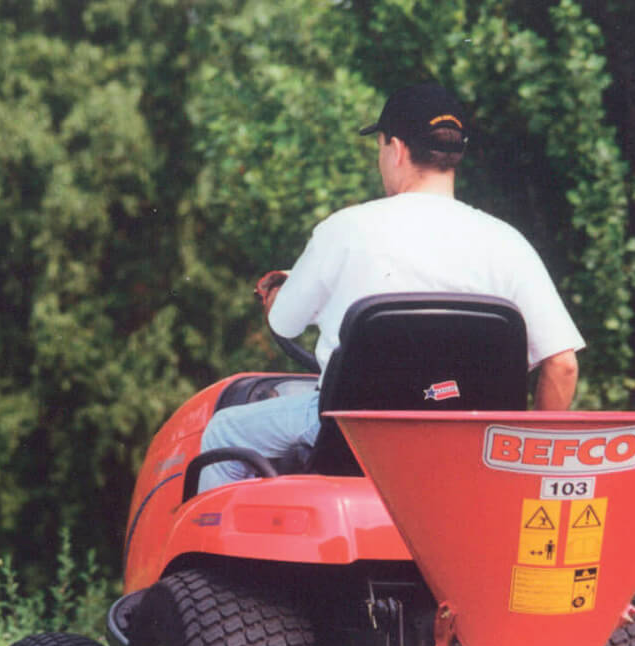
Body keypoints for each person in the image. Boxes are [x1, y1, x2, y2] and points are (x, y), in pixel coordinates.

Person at [198, 83, 584, 492]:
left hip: (351, 442)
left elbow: (287, 322)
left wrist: (278, 295)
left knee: (223, 432)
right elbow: (563, 364)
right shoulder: (508, 243)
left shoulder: (344, 230)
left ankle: (211, 552)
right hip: (470, 457)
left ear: (396, 149)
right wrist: (528, 459)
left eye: (380, 147)